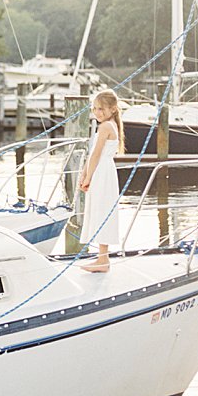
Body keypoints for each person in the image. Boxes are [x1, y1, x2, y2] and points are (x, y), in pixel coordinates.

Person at [78, 89, 125, 272]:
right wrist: (84, 173)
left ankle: (103, 260)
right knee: (100, 210)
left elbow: (97, 154)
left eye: (101, 109)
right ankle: (102, 258)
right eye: (95, 108)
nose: (97, 112)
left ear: (113, 109)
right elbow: (93, 154)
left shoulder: (106, 126)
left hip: (101, 173)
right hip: (102, 171)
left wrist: (88, 177)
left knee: (101, 211)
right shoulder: (110, 124)